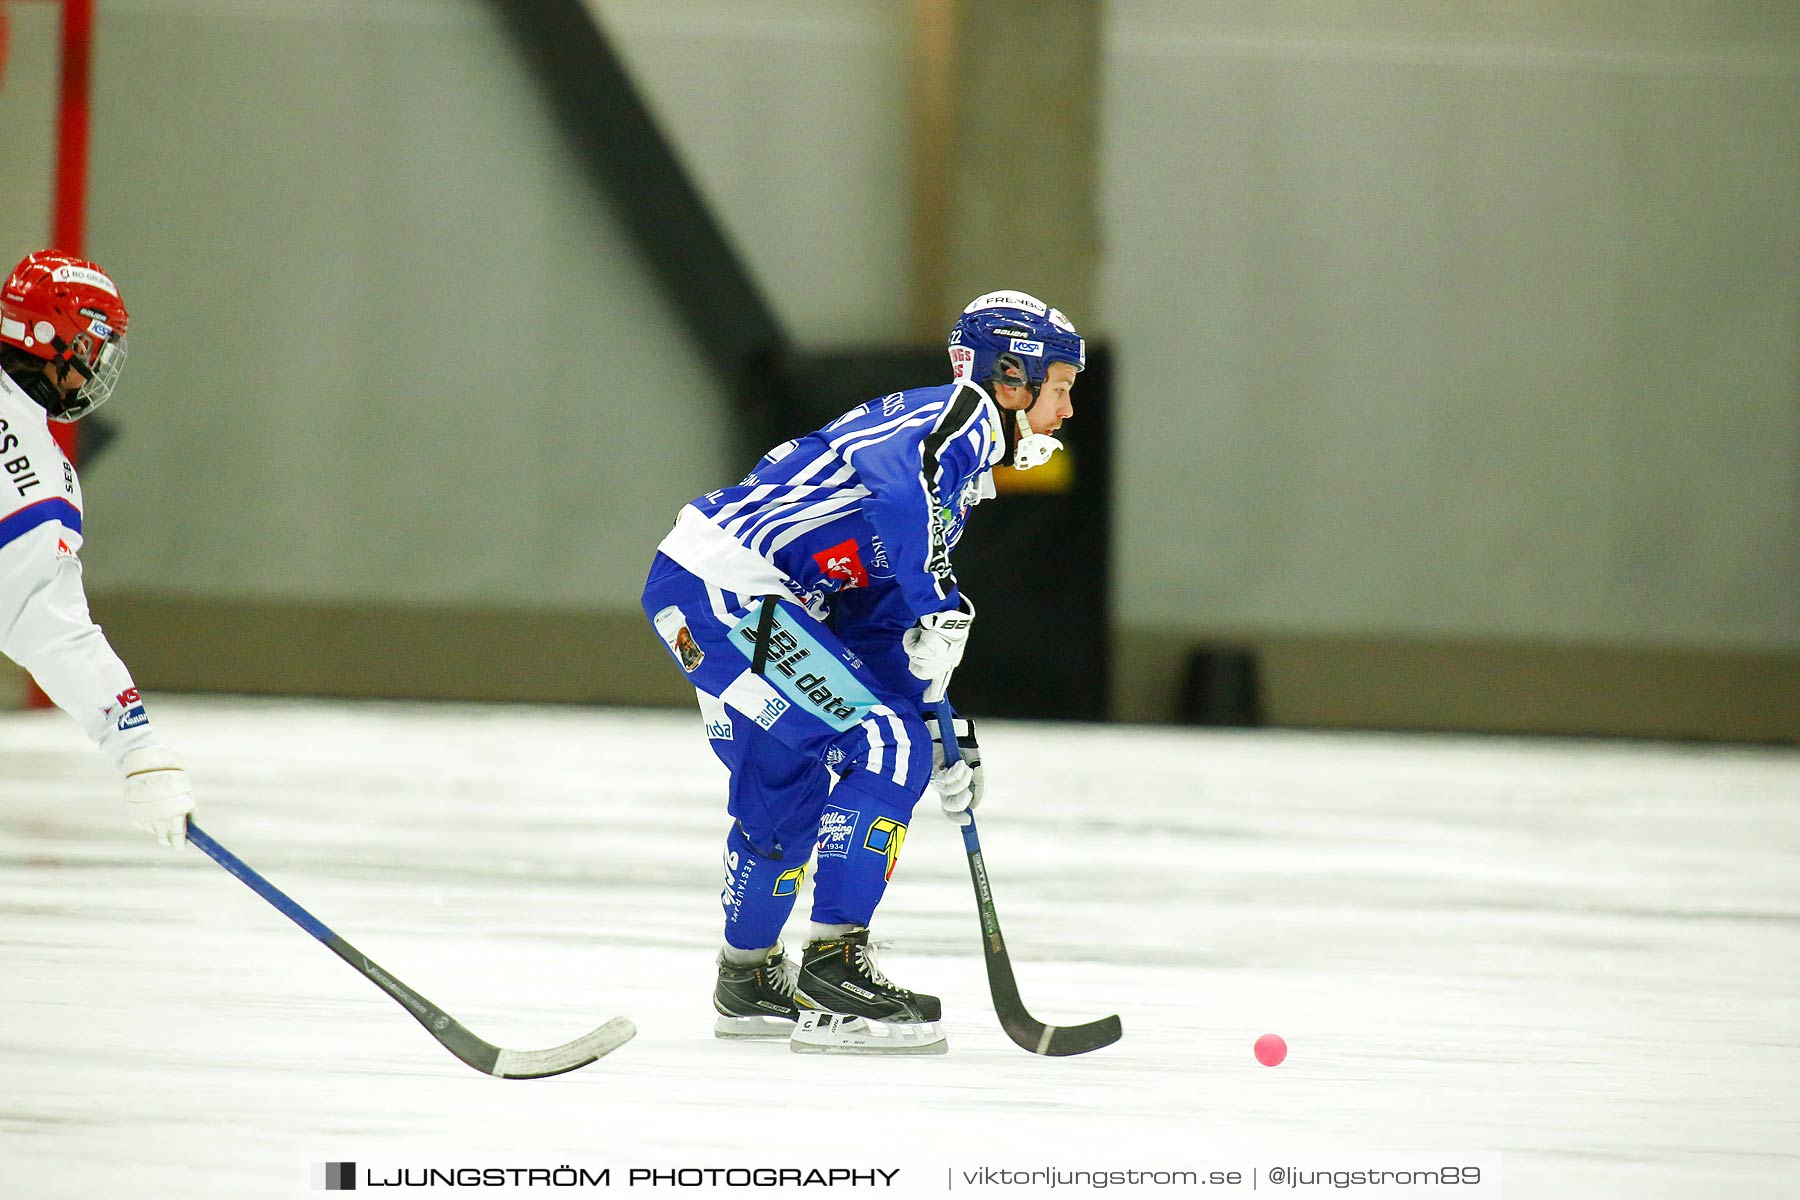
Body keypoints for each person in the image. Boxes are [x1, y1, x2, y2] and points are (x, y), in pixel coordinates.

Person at [640, 290, 1082, 1049]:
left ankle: (747, 977)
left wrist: (935, 719)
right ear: (1013, 376)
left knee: (792, 774)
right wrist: (938, 600)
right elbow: (895, 487)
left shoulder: (947, 460)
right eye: (1063, 387)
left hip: (708, 590)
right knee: (884, 747)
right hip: (730, 593)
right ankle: (833, 967)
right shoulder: (961, 420)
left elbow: (874, 621)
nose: (1067, 410)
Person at [0, 249, 194, 848]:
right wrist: (134, 743)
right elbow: (44, 623)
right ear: (48, 337)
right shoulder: (31, 467)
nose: (90, 372)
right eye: (87, 351)